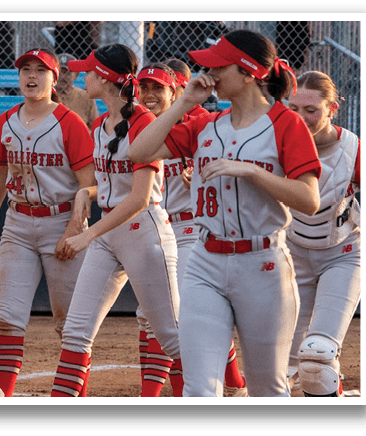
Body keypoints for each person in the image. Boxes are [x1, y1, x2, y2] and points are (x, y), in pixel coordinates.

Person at [127, 30, 321, 397]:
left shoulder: (286, 123)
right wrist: (183, 104)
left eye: (220, 65)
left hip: (262, 264)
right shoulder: (205, 125)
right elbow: (138, 152)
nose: (210, 72)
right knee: (199, 390)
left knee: (267, 388)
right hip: (205, 263)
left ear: (248, 72)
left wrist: (252, 171)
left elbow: (309, 199)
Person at [49, 43, 182, 397]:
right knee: (76, 332)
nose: (82, 75)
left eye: (89, 71)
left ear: (105, 78)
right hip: (110, 233)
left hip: (145, 233)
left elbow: (139, 198)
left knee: (172, 336)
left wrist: (86, 236)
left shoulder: (144, 122)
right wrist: (84, 194)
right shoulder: (99, 123)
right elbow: (106, 187)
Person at [0, 48, 95, 396]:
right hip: (17, 222)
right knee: (9, 319)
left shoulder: (69, 121)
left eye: (40, 71)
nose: (31, 76)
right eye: (25, 69)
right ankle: (3, 397)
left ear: (54, 79)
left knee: (69, 324)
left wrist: (74, 231)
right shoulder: (8, 119)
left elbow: (88, 184)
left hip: (61, 220)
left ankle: (75, 395)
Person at [132, 62, 248, 397]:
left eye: (160, 88)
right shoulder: (141, 127)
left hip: (188, 231)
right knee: (150, 314)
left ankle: (165, 393)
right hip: (152, 227)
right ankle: (232, 381)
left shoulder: (199, 126)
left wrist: (196, 176)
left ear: (177, 91)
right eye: (146, 88)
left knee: (175, 314)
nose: (151, 95)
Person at [285, 71, 360, 397]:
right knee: (277, 367)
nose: (301, 118)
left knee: (317, 355)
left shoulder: (354, 150)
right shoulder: (275, 145)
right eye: (294, 109)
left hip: (342, 254)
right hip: (291, 256)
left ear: (333, 108)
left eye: (312, 110)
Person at [54, 53, 99, 130]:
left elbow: (95, 128)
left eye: (67, 72)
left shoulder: (86, 97)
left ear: (76, 75)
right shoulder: (46, 95)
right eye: (59, 71)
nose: (62, 76)